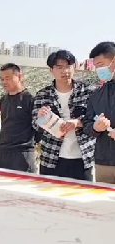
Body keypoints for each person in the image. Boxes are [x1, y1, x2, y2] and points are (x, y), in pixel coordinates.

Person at [33, 50, 97, 181]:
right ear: (51, 70)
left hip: (82, 157)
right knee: (49, 193)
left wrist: (78, 123)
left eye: (68, 66)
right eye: (59, 67)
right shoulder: (43, 94)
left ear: (74, 67)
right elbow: (35, 126)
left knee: (81, 192)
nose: (65, 71)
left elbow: (96, 119)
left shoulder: (88, 91)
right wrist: (40, 118)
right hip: (51, 158)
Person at [0, 64, 37, 173]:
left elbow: (39, 127)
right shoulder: (3, 100)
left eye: (8, 78)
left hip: (22, 153)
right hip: (3, 152)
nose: (4, 82)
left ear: (20, 77)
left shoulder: (30, 99)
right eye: (2, 79)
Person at [84, 41, 115, 184]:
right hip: (104, 163)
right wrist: (95, 127)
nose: (98, 70)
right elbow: (87, 123)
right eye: (96, 66)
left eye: (101, 64)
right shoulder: (96, 94)